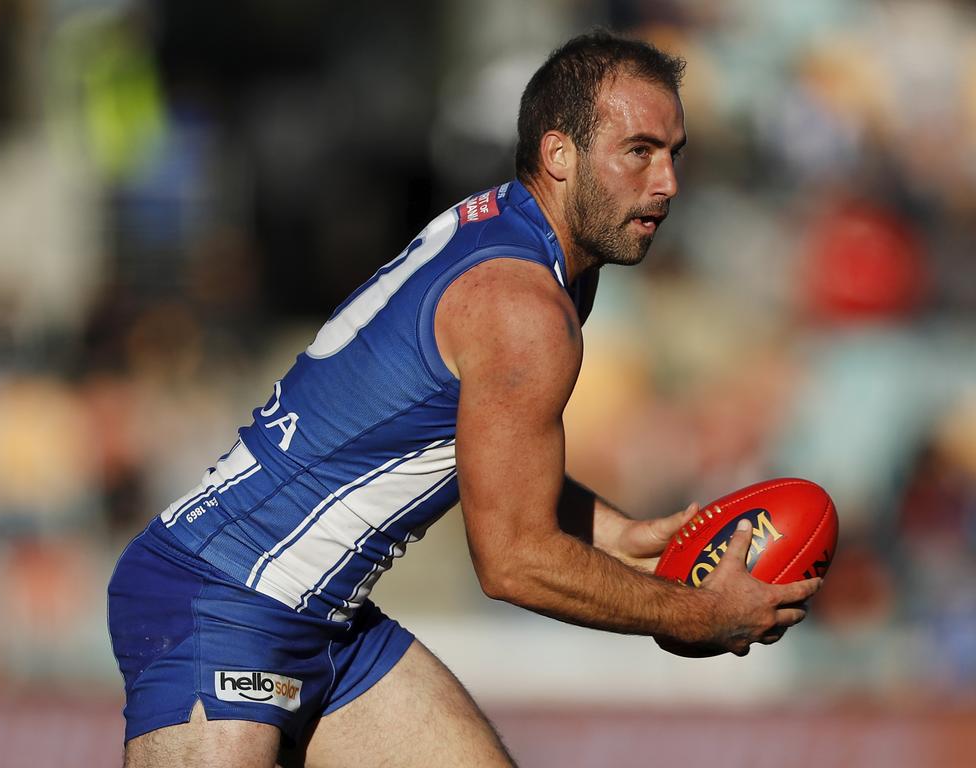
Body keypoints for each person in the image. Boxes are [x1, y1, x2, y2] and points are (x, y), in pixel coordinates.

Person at [108, 30, 822, 768]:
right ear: (559, 155)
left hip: (321, 618)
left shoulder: (534, 242)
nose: (667, 181)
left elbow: (485, 450)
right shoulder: (525, 308)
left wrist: (618, 534)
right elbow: (513, 560)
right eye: (639, 151)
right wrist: (696, 614)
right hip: (220, 598)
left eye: (675, 153)